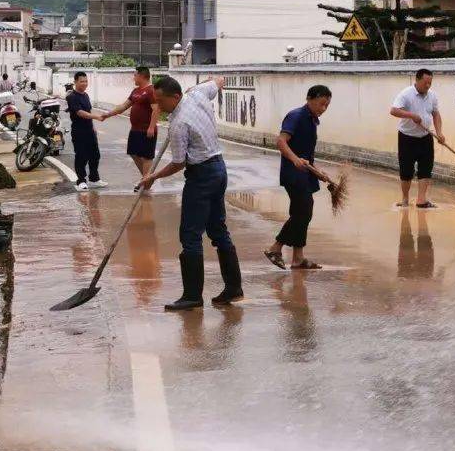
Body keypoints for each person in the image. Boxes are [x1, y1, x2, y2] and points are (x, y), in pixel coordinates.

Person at [139, 75, 243, 311]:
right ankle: (234, 288)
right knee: (218, 230)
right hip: (219, 168)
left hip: (202, 176)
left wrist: (153, 176)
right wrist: (203, 83)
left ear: (175, 97)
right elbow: (219, 80)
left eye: (161, 101)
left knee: (190, 235)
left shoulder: (179, 124)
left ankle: (192, 296)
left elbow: (178, 163)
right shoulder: (196, 94)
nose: (159, 107)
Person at [263, 85, 332, 271]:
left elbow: (306, 156)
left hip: (304, 172)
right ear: (309, 99)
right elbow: (281, 141)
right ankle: (275, 248)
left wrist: (319, 173)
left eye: (327, 105)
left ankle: (298, 259)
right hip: (293, 173)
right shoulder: (296, 116)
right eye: (321, 104)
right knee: (303, 212)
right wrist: (294, 160)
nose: (323, 109)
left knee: (302, 214)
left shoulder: (312, 120)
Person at [390, 68, 445, 208]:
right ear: (417, 80)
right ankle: (405, 199)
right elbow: (394, 110)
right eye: (425, 83)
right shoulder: (406, 94)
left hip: (425, 137)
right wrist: (411, 115)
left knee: (426, 168)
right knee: (406, 170)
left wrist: (439, 133)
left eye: (430, 83)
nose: (427, 86)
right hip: (407, 138)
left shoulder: (432, 95)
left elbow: (436, 114)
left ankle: (421, 200)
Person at [101, 66, 159, 176]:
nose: (134, 78)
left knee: (147, 156)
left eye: (135, 75)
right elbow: (123, 106)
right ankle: (147, 178)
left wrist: (151, 127)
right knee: (133, 153)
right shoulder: (135, 91)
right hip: (135, 129)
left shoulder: (151, 90)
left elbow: (156, 109)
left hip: (147, 130)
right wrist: (108, 114)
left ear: (142, 76)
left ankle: (145, 182)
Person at [67, 71, 108, 191]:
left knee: (95, 155)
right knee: (81, 156)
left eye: (86, 81)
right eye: (82, 81)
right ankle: (81, 181)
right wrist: (97, 117)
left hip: (89, 130)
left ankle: (94, 179)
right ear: (75, 82)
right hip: (78, 131)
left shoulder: (85, 95)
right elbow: (80, 113)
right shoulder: (71, 97)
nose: (84, 83)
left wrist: (93, 127)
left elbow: (88, 111)